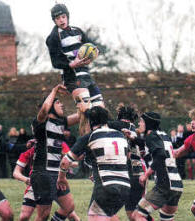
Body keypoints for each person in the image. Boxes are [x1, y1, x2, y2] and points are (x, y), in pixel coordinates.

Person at [58, 106, 130, 221]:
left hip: (106, 187)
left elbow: (65, 162)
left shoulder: (90, 136)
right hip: (125, 187)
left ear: (90, 121)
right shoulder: (121, 135)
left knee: (95, 216)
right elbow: (127, 157)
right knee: (108, 215)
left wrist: (61, 178)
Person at [30, 84, 80, 221]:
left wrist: (82, 98)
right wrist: (54, 90)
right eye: (58, 103)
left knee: (69, 206)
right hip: (42, 174)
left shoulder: (61, 122)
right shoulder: (41, 122)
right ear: (51, 105)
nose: (62, 106)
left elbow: (80, 116)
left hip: (56, 174)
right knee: (43, 215)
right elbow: (45, 109)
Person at [46, 3, 104, 107]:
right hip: (72, 78)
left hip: (86, 75)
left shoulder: (77, 31)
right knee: (86, 109)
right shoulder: (53, 37)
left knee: (100, 110)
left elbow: (93, 46)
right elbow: (55, 62)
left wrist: (95, 53)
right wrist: (72, 65)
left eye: (63, 17)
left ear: (67, 16)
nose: (61, 20)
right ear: (54, 20)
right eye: (58, 18)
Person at [132, 112, 183, 221]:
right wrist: (133, 138)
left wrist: (146, 175)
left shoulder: (151, 136)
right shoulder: (163, 135)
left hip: (164, 185)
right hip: (177, 184)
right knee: (166, 218)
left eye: (141, 121)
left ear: (148, 123)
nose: (139, 123)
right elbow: (150, 145)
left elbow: (160, 156)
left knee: (137, 215)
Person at [13, 139, 80, 221]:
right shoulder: (31, 150)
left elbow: (74, 163)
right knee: (25, 216)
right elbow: (16, 172)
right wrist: (26, 179)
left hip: (56, 182)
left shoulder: (59, 144)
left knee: (70, 211)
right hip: (36, 184)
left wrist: (62, 160)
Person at [108, 105, 148, 221]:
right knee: (133, 212)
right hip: (138, 173)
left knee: (106, 210)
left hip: (122, 173)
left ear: (119, 115)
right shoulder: (133, 128)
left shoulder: (112, 126)